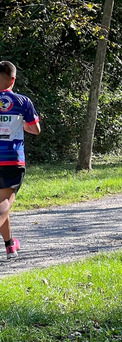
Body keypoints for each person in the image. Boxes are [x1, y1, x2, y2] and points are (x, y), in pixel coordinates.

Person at [0, 61, 40, 258]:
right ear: (13, 79)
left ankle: (9, 246)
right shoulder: (22, 101)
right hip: (12, 159)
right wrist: (22, 125)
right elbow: (36, 129)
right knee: (6, 202)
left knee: (1, 202)